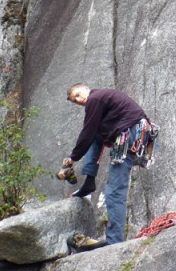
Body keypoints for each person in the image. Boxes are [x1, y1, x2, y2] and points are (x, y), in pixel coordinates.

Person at [63, 84, 156, 248]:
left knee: (114, 192)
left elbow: (87, 132)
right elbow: (93, 135)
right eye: (75, 101)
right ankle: (90, 180)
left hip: (130, 134)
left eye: (78, 95)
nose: (79, 100)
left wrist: (73, 158)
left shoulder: (95, 98)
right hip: (136, 131)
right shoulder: (103, 99)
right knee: (96, 137)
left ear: (86, 88)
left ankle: (114, 241)